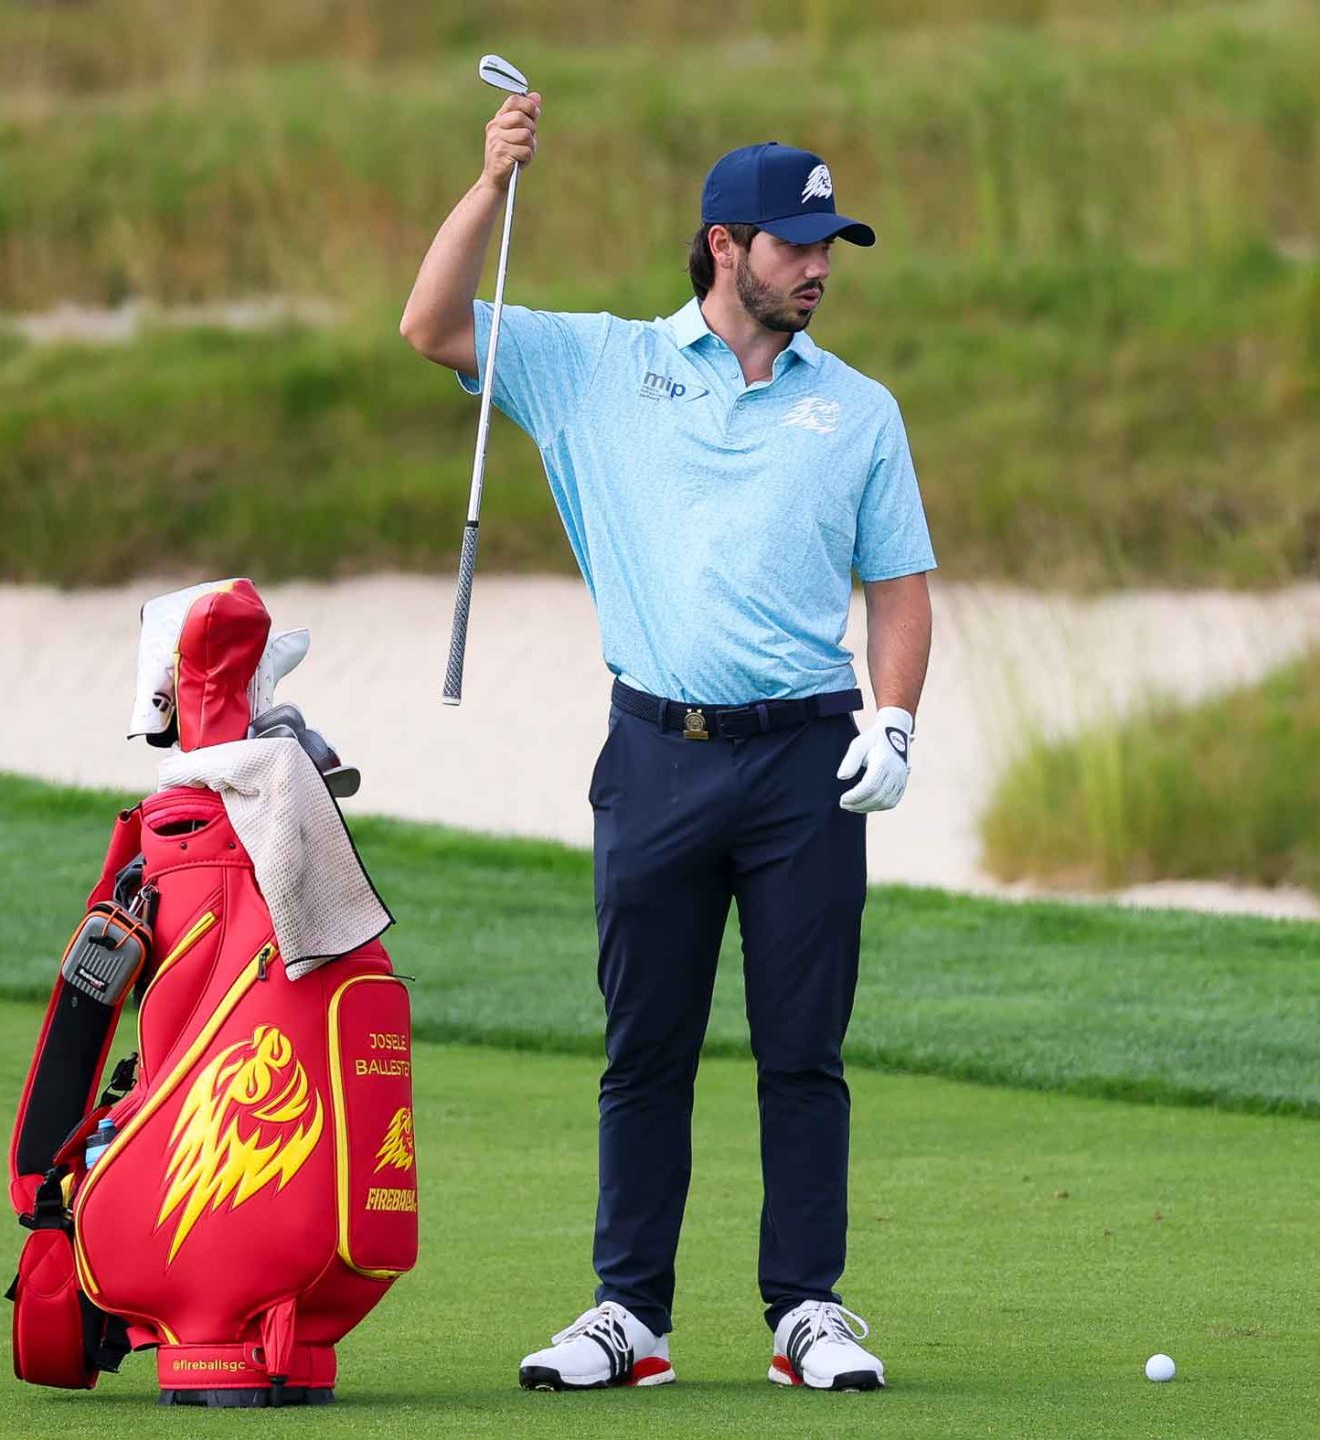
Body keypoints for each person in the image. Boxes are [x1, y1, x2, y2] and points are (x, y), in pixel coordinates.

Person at [399, 88, 936, 1395]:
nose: (816, 266)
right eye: (793, 243)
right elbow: (429, 326)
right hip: (656, 756)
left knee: (804, 1047)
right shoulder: (598, 366)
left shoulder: (857, 410)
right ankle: (628, 1314)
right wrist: (489, 184)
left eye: (828, 246)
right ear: (721, 245)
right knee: (646, 1049)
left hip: (806, 759)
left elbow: (900, 588)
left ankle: (807, 1309)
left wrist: (898, 720)